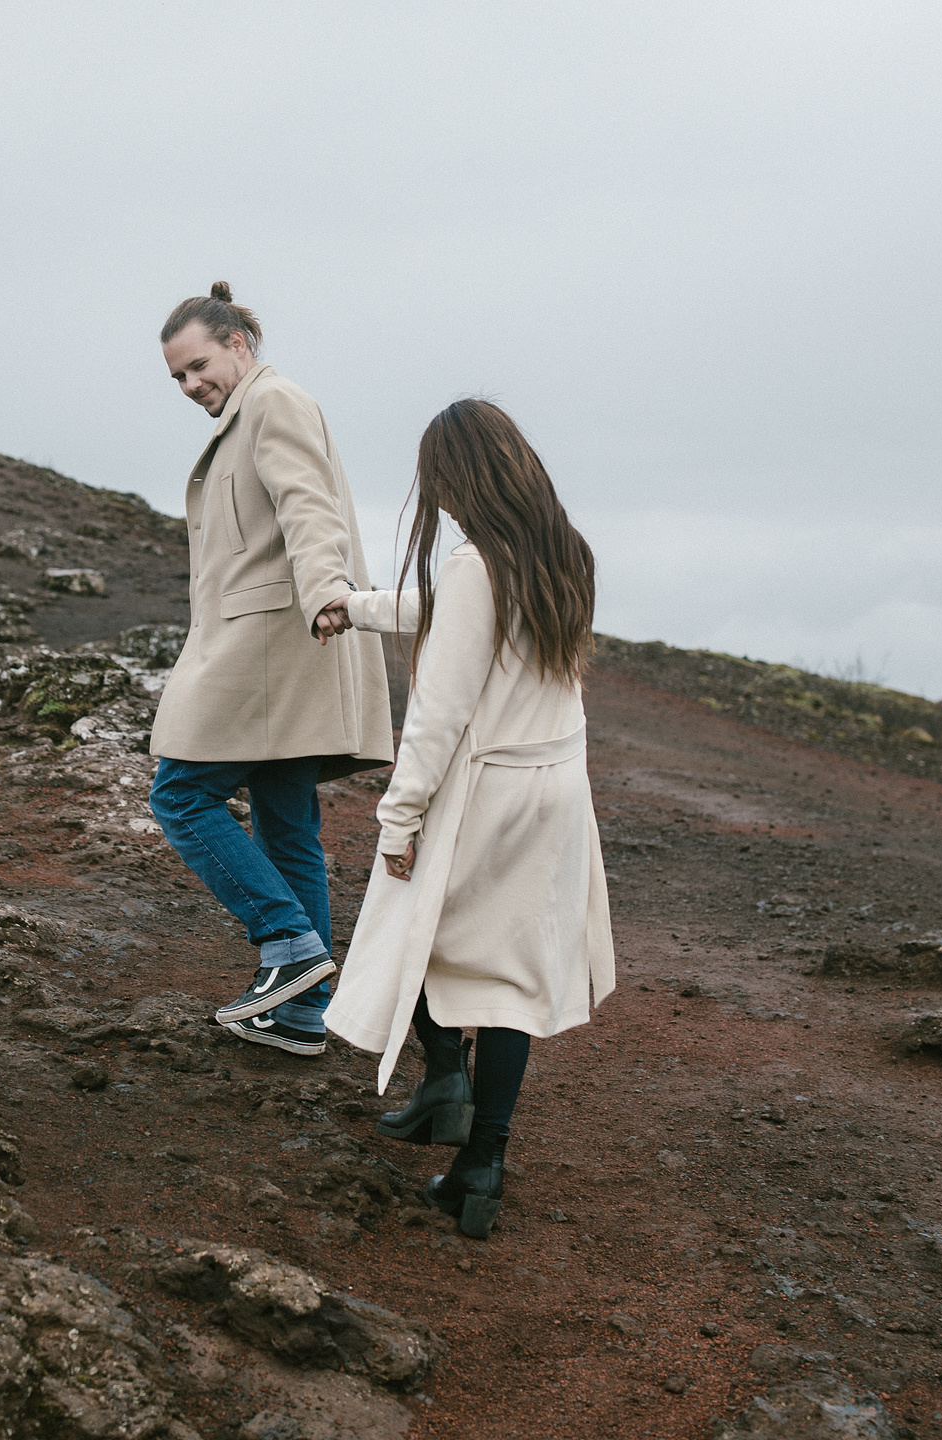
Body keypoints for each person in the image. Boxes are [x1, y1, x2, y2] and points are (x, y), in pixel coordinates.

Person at [317, 398, 614, 1240]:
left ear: (466, 476)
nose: (437, 499)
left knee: (406, 929)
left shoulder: (478, 563)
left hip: (486, 792)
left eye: (441, 482)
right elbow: (456, 612)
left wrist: (398, 818)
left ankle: (445, 1073)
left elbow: (439, 711)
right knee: (512, 980)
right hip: (555, 790)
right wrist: (359, 607)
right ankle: (482, 1162)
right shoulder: (563, 552)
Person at [147, 282, 395, 1057]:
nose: (192, 386)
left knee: (181, 795)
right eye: (178, 378)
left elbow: (307, 505)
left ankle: (288, 943)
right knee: (290, 829)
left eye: (198, 366)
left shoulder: (273, 402)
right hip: (281, 651)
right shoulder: (249, 410)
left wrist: (328, 589)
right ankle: (302, 1015)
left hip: (273, 647)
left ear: (239, 345)